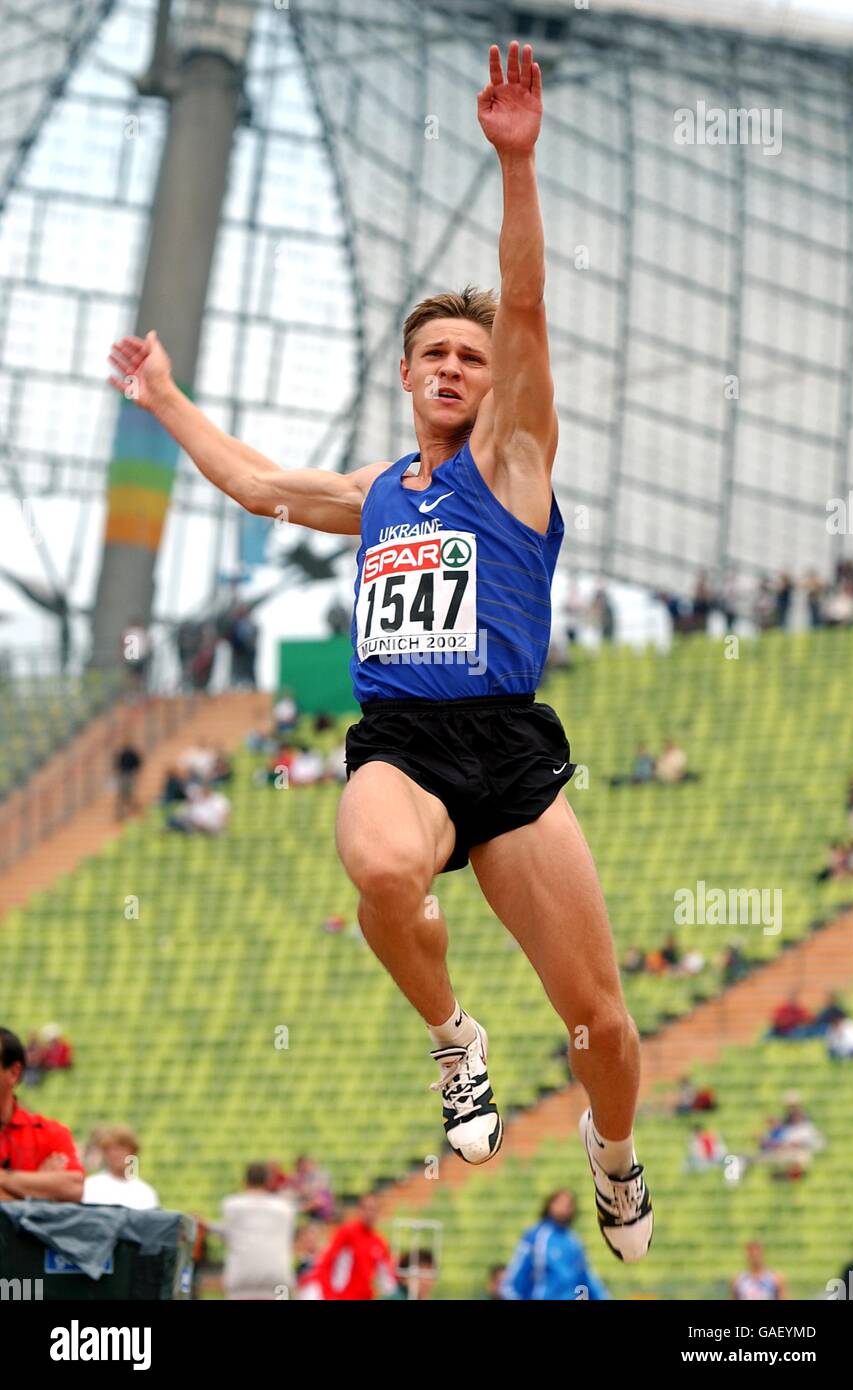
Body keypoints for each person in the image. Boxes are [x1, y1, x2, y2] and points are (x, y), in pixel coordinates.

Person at [106, 40, 652, 1262]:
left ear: (490, 379)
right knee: (378, 874)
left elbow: (525, 307)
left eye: (473, 356)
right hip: (401, 743)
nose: (457, 366)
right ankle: (456, 1042)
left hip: (507, 750)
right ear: (406, 375)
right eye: (436, 356)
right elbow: (254, 482)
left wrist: (515, 165)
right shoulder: (379, 491)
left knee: (601, 1026)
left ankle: (613, 1156)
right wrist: (164, 397)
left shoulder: (511, 466)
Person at [0, 1027, 84, 1201]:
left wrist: (5, 1178)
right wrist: (37, 1190)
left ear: (14, 1073)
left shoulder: (51, 1133)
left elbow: (74, 1188)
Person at [209, 1162, 297, 1300]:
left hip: (242, 1277)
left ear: (244, 1182)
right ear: (269, 1182)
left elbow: (227, 1235)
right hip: (278, 1278)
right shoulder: (285, 1208)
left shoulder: (231, 1205)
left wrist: (207, 1226)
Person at [501, 1189, 609, 1300]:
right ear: (549, 1205)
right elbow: (515, 1279)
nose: (565, 1207)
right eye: (560, 1202)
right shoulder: (536, 1237)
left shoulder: (574, 1241)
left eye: (569, 1204)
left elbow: (587, 1278)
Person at [300, 1192, 396, 1300]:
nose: (370, 1213)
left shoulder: (380, 1242)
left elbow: (387, 1281)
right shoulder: (347, 1232)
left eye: (373, 1209)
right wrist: (329, 1294)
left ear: (379, 1212)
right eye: (367, 1209)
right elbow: (326, 1262)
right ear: (359, 1210)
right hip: (343, 1295)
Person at [83, 1124, 159, 1209]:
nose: (115, 1154)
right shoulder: (91, 1186)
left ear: (132, 1151)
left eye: (121, 1149)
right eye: (109, 1149)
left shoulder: (145, 1192)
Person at [113, 743, 142, 820]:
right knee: (123, 795)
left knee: (128, 794)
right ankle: (121, 814)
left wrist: (135, 772)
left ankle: (132, 811)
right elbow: (117, 764)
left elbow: (138, 762)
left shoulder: (132, 754)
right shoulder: (122, 754)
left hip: (130, 775)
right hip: (123, 775)